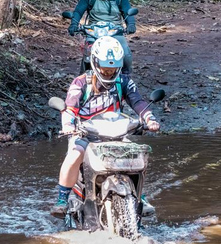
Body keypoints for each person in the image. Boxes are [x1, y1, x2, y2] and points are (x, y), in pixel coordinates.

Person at [50, 36, 160, 218]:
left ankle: (141, 196)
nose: (108, 73)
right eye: (105, 69)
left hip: (115, 133)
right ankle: (62, 199)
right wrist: (68, 125)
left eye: (112, 69)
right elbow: (69, 108)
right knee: (74, 155)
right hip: (85, 132)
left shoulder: (124, 81)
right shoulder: (81, 83)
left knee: (136, 155)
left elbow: (138, 102)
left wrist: (150, 120)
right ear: (94, 62)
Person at [68, 0, 136, 74]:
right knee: (88, 55)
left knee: (126, 54)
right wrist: (74, 24)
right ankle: (82, 82)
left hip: (115, 32)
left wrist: (131, 24)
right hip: (93, 32)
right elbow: (78, 11)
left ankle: (126, 80)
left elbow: (128, 12)